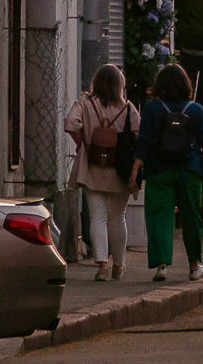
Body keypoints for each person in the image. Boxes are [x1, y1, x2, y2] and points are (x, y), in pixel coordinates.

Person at [130, 63, 203, 282]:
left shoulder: (153, 109)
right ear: (186, 84)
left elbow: (144, 143)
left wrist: (134, 172)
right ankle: (195, 266)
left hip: (159, 171)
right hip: (189, 171)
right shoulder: (195, 110)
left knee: (159, 217)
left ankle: (162, 265)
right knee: (192, 218)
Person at [64, 64, 140, 281]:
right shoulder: (127, 108)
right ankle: (119, 264)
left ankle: (102, 266)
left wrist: (83, 144)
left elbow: (70, 123)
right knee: (118, 218)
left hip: (92, 167)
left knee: (98, 216)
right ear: (120, 85)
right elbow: (139, 133)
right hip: (119, 169)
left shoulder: (85, 103)